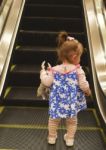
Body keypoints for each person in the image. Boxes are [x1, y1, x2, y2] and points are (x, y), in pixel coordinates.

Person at [40, 31, 91, 146]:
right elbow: (84, 85)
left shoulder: (54, 70)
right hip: (71, 103)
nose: (80, 59)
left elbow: (47, 83)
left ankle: (52, 138)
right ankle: (69, 139)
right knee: (72, 121)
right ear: (74, 57)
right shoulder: (78, 70)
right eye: (80, 56)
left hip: (57, 102)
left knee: (53, 120)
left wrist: (43, 73)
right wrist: (88, 91)